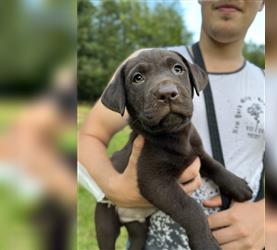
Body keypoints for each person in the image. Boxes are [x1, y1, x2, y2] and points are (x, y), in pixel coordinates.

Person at [78, 0, 265, 249]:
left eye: (177, 70)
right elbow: (88, 136)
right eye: (139, 78)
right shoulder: (140, 58)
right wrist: (114, 188)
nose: (166, 88)